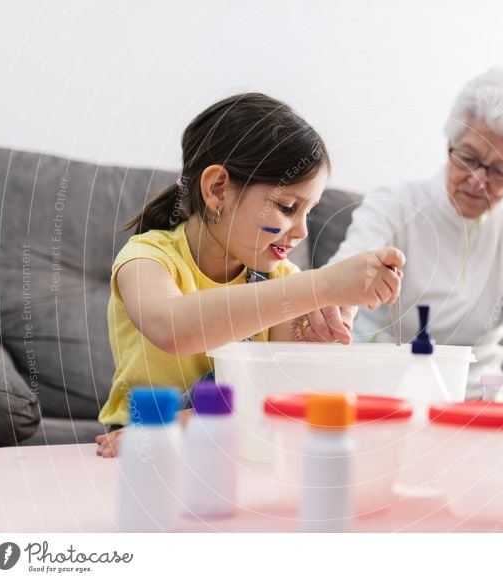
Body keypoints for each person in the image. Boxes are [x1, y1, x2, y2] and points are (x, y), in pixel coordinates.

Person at [96, 93, 404, 457]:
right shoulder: (148, 258)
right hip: (142, 446)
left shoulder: (283, 281)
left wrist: (327, 330)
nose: (302, 231)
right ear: (217, 189)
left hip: (237, 446)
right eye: (287, 207)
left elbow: (278, 400)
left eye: (309, 211)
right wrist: (321, 284)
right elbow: (172, 328)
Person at [327, 67, 503, 395]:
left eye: (501, 171)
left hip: (475, 399)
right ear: (450, 142)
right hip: (385, 393)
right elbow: (333, 284)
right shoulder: (394, 204)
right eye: (468, 157)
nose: (478, 180)